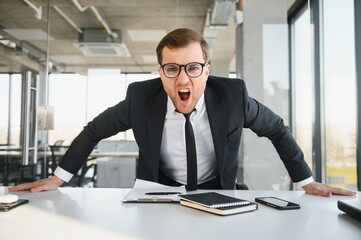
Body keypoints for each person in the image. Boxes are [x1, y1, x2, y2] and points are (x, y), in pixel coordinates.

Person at [10, 28, 355, 197]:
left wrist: (306, 182)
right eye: (172, 69)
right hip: (160, 193)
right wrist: (59, 178)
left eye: (192, 67)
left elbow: (277, 129)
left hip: (218, 191)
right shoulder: (139, 98)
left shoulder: (234, 96)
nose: (183, 78)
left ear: (207, 70)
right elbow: (92, 131)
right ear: (160, 73)